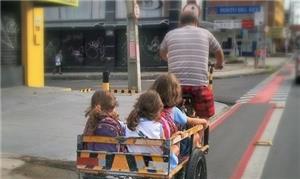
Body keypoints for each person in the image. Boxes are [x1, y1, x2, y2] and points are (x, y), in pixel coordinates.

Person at [159, 11, 224, 120]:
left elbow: (162, 53)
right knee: (204, 117)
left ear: (180, 23)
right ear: (196, 22)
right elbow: (218, 51)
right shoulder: (206, 33)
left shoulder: (170, 34)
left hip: (175, 87)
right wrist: (219, 64)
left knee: (167, 112)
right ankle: (199, 135)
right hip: (198, 86)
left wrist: (169, 58)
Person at [150, 73, 208, 151]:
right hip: (173, 145)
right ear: (175, 94)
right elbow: (190, 121)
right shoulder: (173, 111)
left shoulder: (150, 110)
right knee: (196, 136)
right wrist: (204, 121)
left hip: (155, 146)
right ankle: (197, 145)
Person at [125, 90, 178, 169]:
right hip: (155, 166)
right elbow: (165, 149)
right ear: (157, 110)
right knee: (176, 148)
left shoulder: (129, 125)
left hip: (134, 165)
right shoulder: (158, 127)